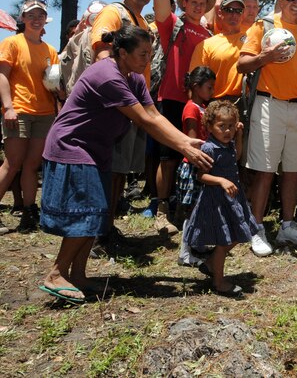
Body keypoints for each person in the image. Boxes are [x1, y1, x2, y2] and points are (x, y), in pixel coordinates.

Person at [38, 25, 211, 303]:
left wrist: (185, 142)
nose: (147, 58)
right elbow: (144, 120)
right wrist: (184, 147)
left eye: (150, 53)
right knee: (86, 213)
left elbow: (154, 114)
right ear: (122, 52)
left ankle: (78, 274)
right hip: (72, 146)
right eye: (142, 53)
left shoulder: (134, 78)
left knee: (96, 213)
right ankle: (57, 273)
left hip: (96, 149)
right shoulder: (108, 75)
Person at [237, 0, 297, 254]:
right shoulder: (264, 26)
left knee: (294, 170)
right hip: (268, 103)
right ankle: (257, 227)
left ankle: (287, 226)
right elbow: (242, 65)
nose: (296, 4)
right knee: (264, 170)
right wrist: (266, 57)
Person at [90, 0, 156, 240]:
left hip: (133, 104)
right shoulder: (113, 13)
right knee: (107, 169)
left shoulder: (140, 20)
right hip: (116, 105)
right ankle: (95, 232)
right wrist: (121, 94)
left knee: (118, 171)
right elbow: (102, 53)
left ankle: (107, 225)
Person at [153, 0, 215, 236]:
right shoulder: (172, 25)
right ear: (185, 2)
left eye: (204, 3)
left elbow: (223, 1)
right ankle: (162, 210)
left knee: (192, 153)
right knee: (168, 156)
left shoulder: (207, 33)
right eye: (194, 1)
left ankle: (185, 206)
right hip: (172, 98)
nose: (199, 6)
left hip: (198, 103)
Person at [185, 100, 258, 297]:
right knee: (224, 241)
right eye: (222, 126)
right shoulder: (209, 148)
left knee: (237, 234)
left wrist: (240, 136)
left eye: (231, 126)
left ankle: (211, 264)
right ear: (209, 126)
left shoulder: (229, 144)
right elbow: (201, 175)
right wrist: (220, 181)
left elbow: (236, 157)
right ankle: (218, 281)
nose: (227, 131)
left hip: (232, 197)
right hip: (217, 200)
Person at [0, 0, 59, 231]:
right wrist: (8, 107)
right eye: (31, 15)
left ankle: (28, 212)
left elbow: (53, 84)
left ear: (46, 20)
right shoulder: (12, 43)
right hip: (19, 111)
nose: (36, 19)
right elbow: (2, 75)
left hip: (44, 114)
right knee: (12, 164)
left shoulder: (50, 50)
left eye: (40, 15)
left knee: (32, 166)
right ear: (22, 19)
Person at [176, 66, 215, 267]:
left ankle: (197, 245)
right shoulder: (191, 108)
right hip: (193, 166)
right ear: (196, 87)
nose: (212, 92)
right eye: (209, 87)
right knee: (192, 211)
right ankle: (184, 252)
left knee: (200, 210)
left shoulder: (204, 108)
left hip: (202, 164)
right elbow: (192, 140)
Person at [189, 0, 245, 102]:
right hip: (216, 103)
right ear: (220, 13)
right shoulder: (205, 45)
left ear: (243, 15)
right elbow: (194, 83)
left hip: (246, 104)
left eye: (238, 11)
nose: (234, 15)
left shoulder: (252, 40)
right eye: (229, 10)